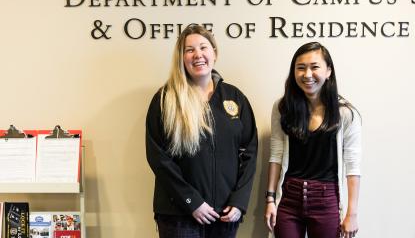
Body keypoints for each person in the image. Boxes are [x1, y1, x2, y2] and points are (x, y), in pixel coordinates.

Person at [146, 24, 258, 238]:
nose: (198, 54)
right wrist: (191, 201)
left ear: (214, 53)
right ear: (181, 57)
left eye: (203, 47)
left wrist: (239, 202)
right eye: (189, 50)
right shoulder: (165, 99)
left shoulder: (235, 98)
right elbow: (158, 157)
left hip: (224, 215)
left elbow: (250, 154)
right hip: (179, 215)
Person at [264, 42, 362, 238]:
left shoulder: (345, 113)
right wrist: (270, 200)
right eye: (301, 68)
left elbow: (353, 167)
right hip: (289, 198)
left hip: (327, 200)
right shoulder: (283, 108)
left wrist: (352, 213)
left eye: (314, 67)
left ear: (328, 72)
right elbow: (276, 153)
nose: (307, 74)